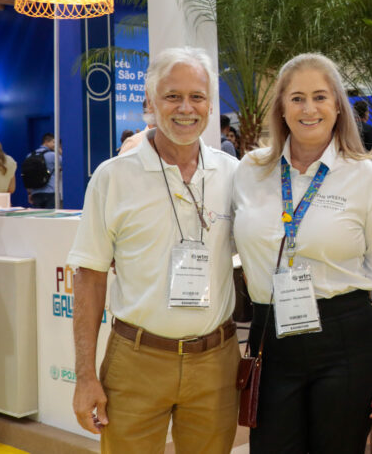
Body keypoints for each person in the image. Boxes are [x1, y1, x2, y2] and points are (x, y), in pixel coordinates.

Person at [233, 53, 372, 453]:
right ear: (280, 107)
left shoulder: (366, 177)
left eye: (319, 97)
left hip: (345, 338)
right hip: (270, 337)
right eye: (296, 98)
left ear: (337, 106)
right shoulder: (249, 171)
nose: (308, 109)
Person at [69, 47, 240, 454]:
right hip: (136, 361)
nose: (186, 108)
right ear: (149, 102)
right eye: (172, 96)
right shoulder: (113, 178)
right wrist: (85, 376)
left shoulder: (233, 175)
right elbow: (89, 279)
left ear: (211, 105)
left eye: (197, 97)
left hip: (215, 361)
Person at [26, 133, 57, 208]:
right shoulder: (53, 155)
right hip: (50, 192)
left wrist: (29, 193)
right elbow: (66, 164)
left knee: (38, 218)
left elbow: (28, 175)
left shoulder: (29, 156)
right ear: (46, 142)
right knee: (50, 218)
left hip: (35, 193)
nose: (54, 145)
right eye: (53, 142)